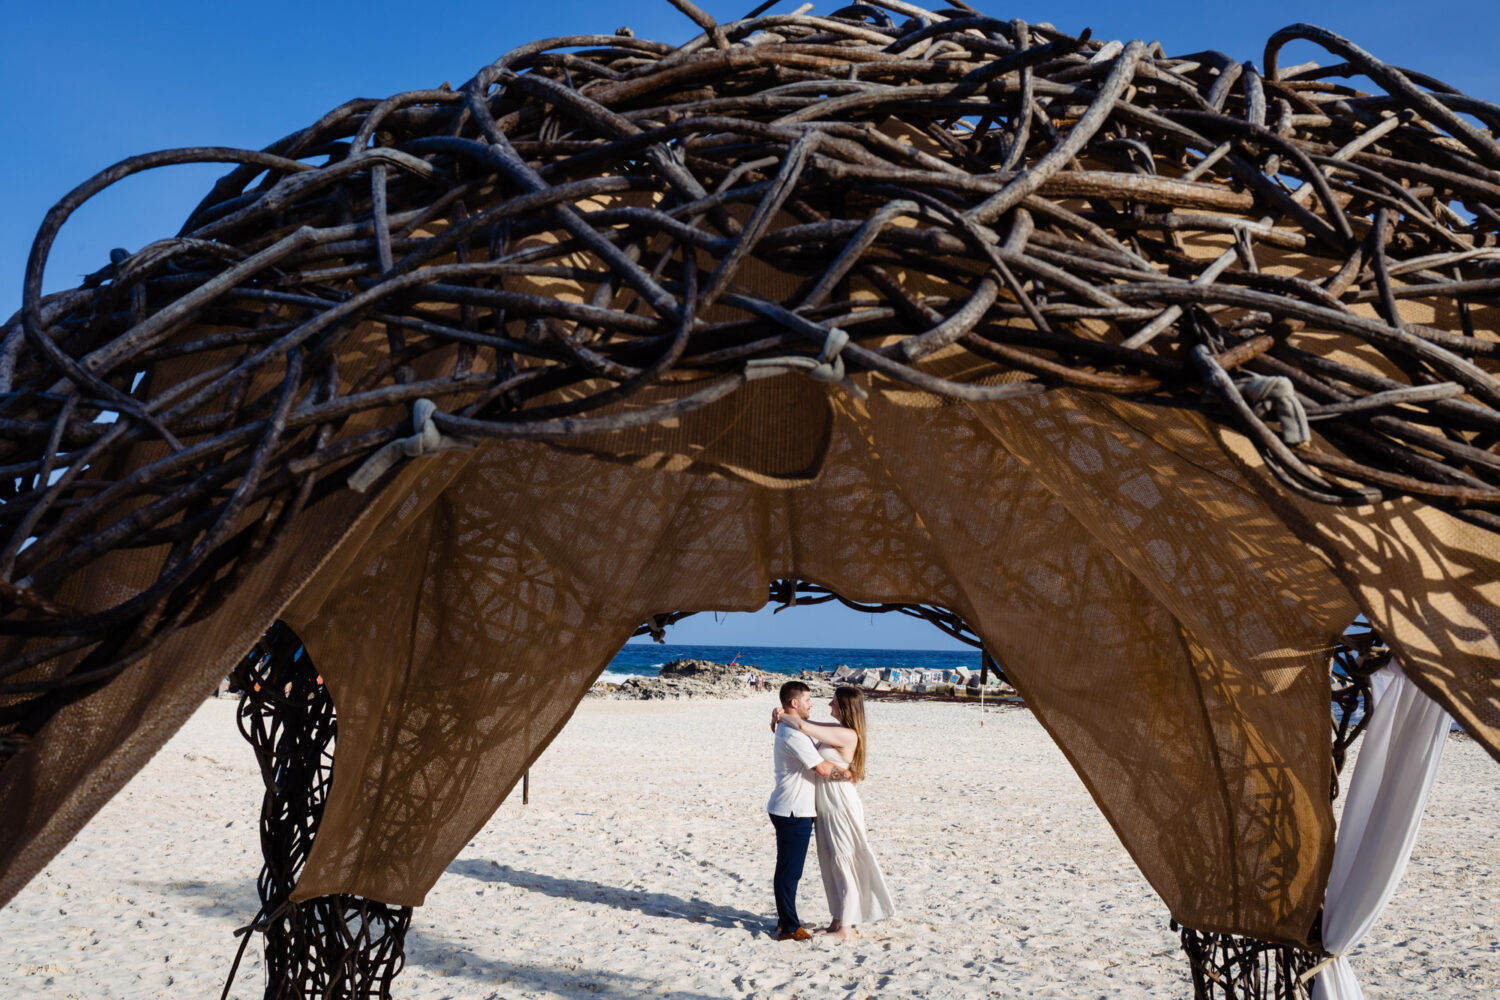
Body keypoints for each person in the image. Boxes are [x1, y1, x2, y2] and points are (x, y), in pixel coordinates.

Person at [772, 685, 894, 940]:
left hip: (840, 803)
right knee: (831, 862)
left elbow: (805, 727)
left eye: (834, 702)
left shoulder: (848, 735)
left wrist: (850, 774)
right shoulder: (834, 730)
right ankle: (837, 920)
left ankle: (845, 928)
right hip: (825, 804)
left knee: (843, 860)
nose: (828, 705)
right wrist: (780, 714)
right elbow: (805, 722)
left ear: (845, 708)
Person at [768, 680, 851, 941]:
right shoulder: (793, 734)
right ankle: (789, 927)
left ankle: (785, 923)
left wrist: (778, 714)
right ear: (794, 703)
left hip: (791, 807)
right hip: (793, 810)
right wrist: (852, 774)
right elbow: (823, 769)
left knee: (787, 870)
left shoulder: (789, 727)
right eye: (807, 700)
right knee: (790, 872)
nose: (811, 704)